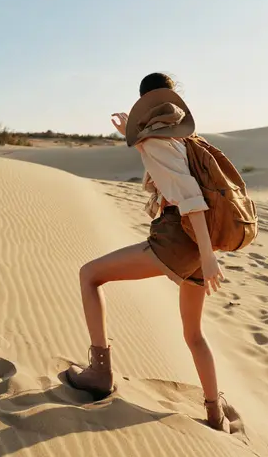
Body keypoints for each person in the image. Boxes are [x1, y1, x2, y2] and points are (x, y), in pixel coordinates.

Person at [67, 72, 229, 433]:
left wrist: (206, 254)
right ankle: (215, 413)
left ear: (144, 103)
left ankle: (99, 372)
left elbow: (190, 198)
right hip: (199, 245)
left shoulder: (157, 142)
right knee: (194, 335)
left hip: (179, 242)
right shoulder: (187, 140)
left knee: (89, 275)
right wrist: (133, 134)